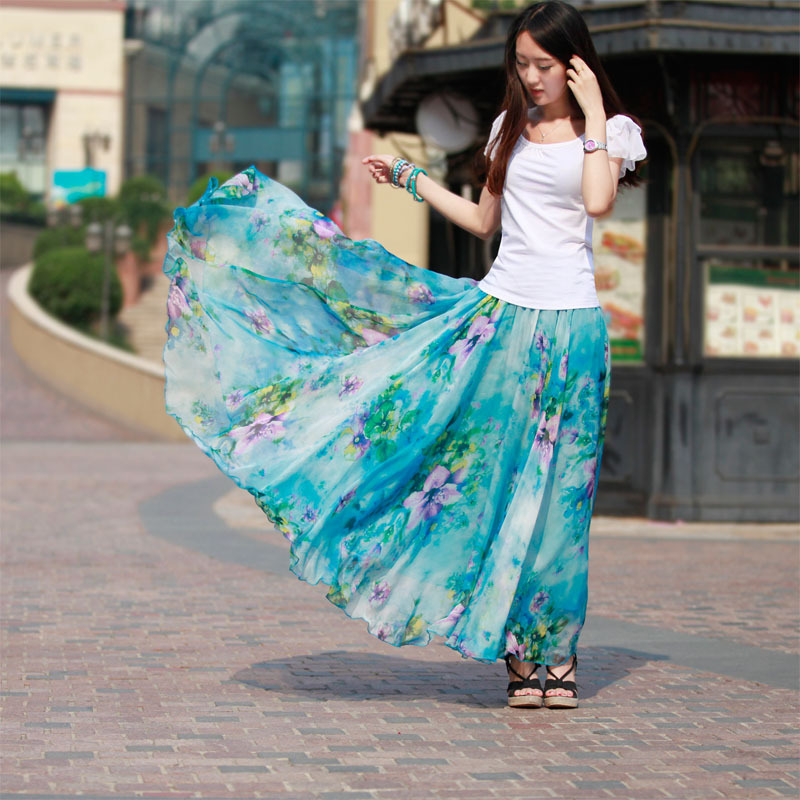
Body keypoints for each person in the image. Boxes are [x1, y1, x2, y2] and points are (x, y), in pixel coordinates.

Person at [162, 0, 646, 712]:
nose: (532, 77)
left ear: (575, 64)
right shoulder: (507, 131)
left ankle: (558, 648)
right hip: (502, 322)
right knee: (493, 480)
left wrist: (596, 112)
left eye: (545, 65)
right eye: (522, 64)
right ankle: (518, 652)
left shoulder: (611, 134)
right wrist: (411, 180)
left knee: (563, 498)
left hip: (573, 331)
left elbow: (599, 202)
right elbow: (483, 220)